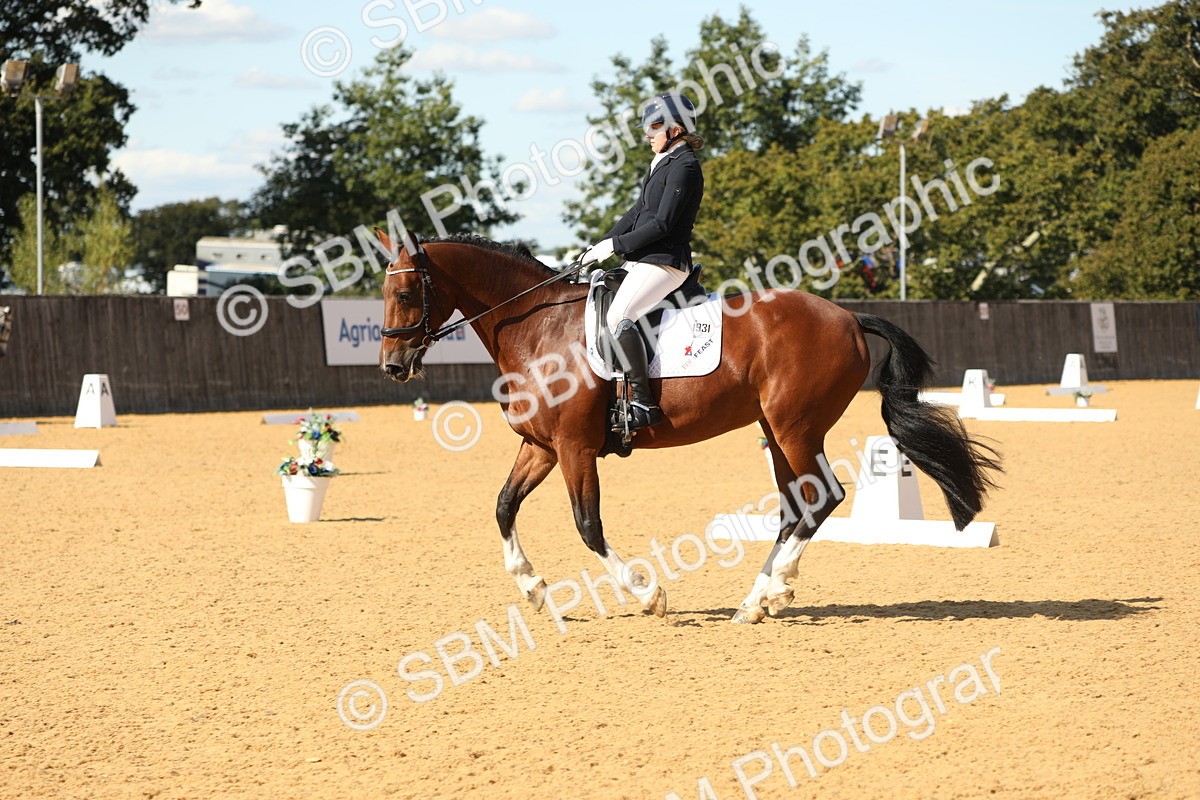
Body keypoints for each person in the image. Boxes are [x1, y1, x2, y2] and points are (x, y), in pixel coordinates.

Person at [581, 91, 706, 431]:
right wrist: (601, 244)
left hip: (665, 263)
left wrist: (617, 245)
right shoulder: (663, 163)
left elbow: (662, 224)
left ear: (676, 130)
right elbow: (638, 211)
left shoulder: (685, 167)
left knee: (620, 316)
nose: (647, 134)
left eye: (654, 127)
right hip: (643, 260)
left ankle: (642, 402)